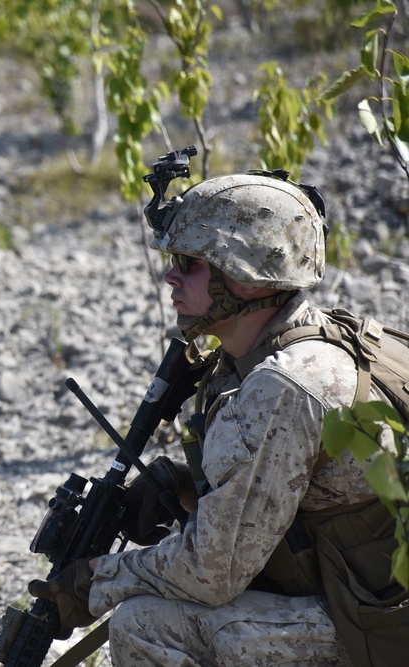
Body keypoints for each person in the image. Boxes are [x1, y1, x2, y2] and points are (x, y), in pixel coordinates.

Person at [28, 171, 400, 665]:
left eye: (191, 263)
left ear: (244, 277)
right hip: (372, 592)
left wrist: (94, 582)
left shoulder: (286, 384)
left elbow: (213, 571)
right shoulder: (302, 342)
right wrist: (184, 484)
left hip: (382, 621)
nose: (171, 277)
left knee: (146, 626)